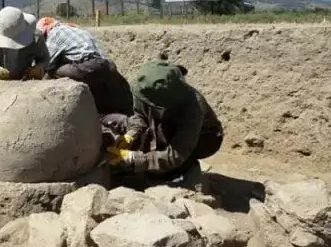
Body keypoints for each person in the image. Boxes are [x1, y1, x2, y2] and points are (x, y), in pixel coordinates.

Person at [100, 59, 224, 190]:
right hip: (167, 124)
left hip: (206, 138)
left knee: (164, 165)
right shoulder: (145, 87)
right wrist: (130, 135)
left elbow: (175, 155)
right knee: (124, 124)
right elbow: (140, 116)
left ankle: (184, 170)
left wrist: (133, 158)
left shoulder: (193, 108)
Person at [36, 17, 133, 116]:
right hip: (109, 67)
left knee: (53, 69)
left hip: (90, 66)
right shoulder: (77, 28)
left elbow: (48, 62)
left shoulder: (54, 33)